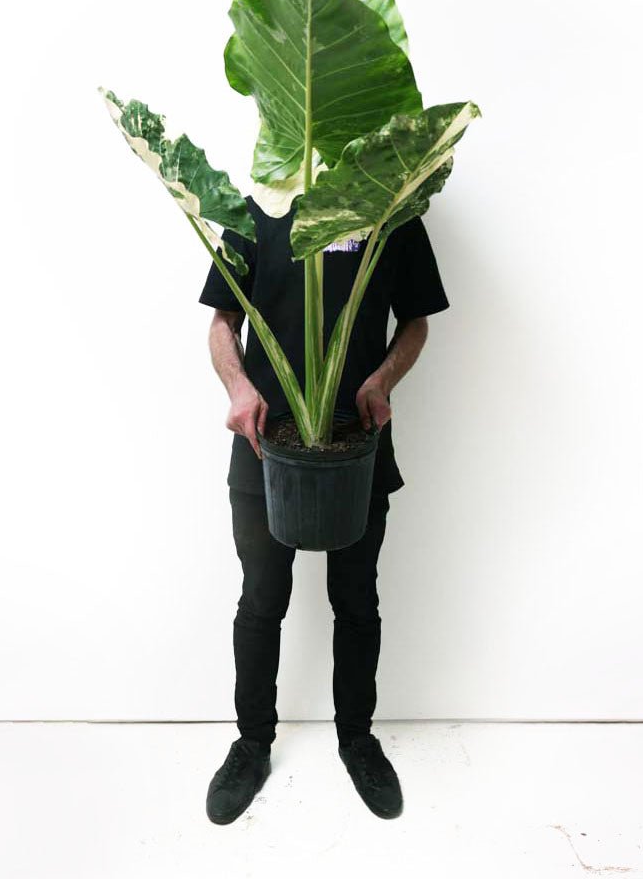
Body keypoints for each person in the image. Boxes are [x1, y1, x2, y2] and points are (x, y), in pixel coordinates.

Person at [197, 193, 450, 825]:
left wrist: (381, 381)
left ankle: (357, 740)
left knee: (357, 600)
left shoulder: (391, 206)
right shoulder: (255, 211)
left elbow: (416, 320)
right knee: (261, 600)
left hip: (355, 443)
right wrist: (239, 387)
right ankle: (251, 745)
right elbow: (223, 322)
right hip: (264, 445)